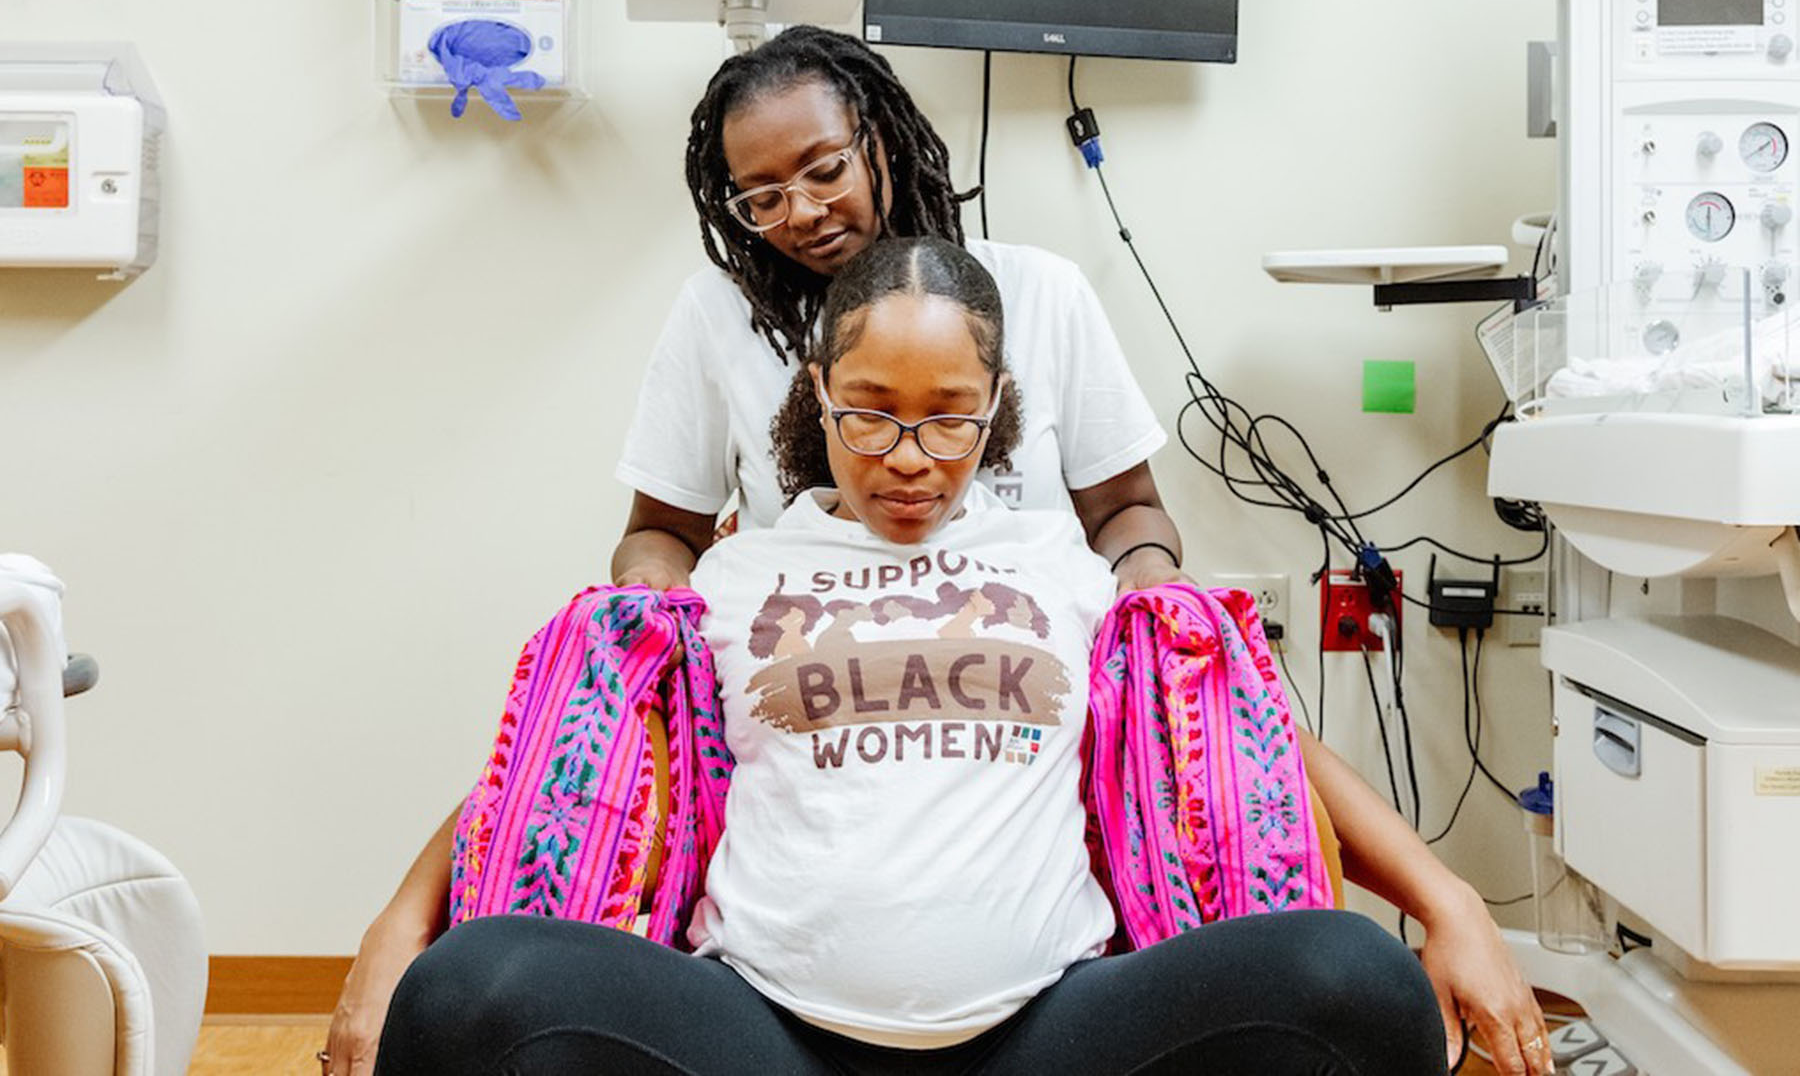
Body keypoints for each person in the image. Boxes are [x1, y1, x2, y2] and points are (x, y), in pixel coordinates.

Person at [340, 238, 1552, 1076]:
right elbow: (565, 762)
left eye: (948, 416)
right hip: (765, 1034)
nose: (908, 453)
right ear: (818, 395)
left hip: (1048, 1035)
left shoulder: (1062, 569)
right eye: (869, 409)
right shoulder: (734, 574)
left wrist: (1447, 903)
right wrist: (402, 925)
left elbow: (1259, 737)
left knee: (1358, 982)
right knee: (469, 991)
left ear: (995, 408)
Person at [609, 24, 1185, 595]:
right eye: (764, 199)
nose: (803, 212)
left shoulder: (1044, 293)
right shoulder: (720, 315)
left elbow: (1125, 512)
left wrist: (1147, 573)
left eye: (827, 171)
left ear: (880, 138)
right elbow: (663, 532)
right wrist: (650, 584)